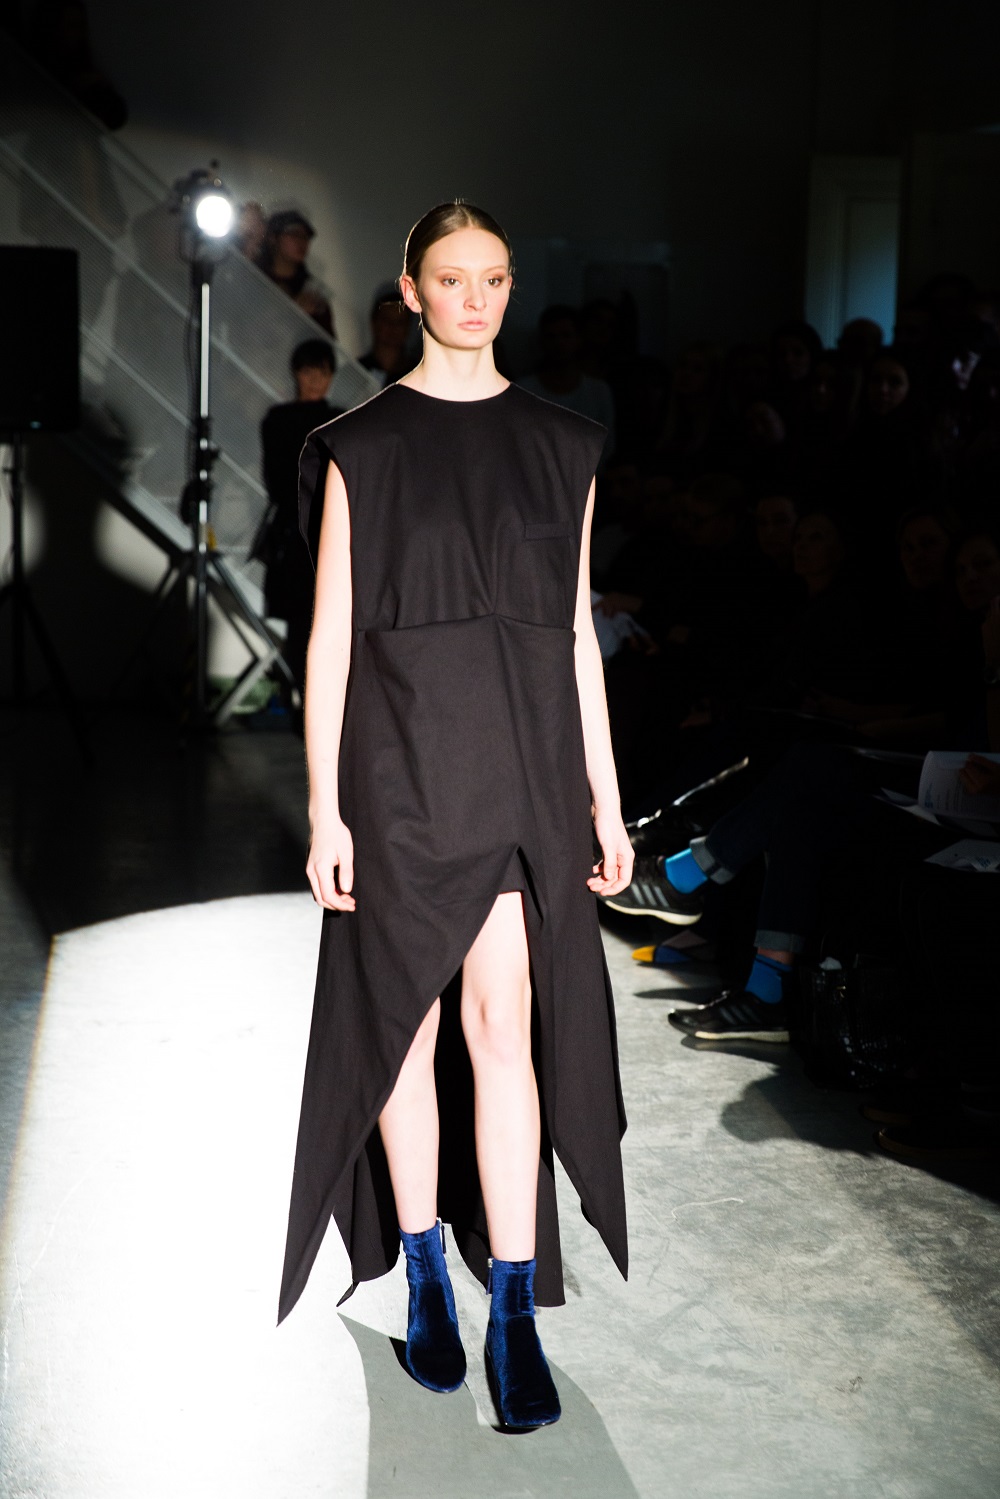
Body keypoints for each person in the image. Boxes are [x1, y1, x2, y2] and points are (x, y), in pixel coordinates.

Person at [278, 202, 633, 1431]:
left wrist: (607, 795)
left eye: (492, 279)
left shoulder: (562, 444)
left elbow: (574, 633)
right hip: (400, 776)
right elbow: (329, 641)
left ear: (508, 289)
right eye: (451, 278)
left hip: (524, 770)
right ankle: (427, 1266)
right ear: (410, 290)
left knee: (500, 1024)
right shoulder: (361, 446)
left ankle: (514, 1307)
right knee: (407, 1024)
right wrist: (325, 808)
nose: (473, 299)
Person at [257, 338, 340, 701]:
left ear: (331, 375)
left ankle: (317, 704)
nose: (315, 379)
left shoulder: (342, 420)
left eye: (322, 371)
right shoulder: (279, 420)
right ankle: (303, 704)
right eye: (308, 371)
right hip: (297, 536)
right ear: (296, 373)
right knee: (300, 624)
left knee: (326, 621)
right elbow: (277, 482)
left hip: (329, 534)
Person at [256, 209, 335, 335]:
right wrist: (291, 313)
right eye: (294, 234)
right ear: (273, 238)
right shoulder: (255, 279)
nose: (301, 242)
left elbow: (325, 341)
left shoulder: (312, 292)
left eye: (305, 237)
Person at [358, 290, 414, 387]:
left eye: (400, 322)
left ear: (408, 327)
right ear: (374, 322)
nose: (393, 327)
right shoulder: (357, 371)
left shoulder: (419, 375)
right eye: (386, 320)